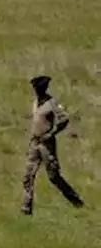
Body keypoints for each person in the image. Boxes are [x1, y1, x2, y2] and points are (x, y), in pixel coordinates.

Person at [22, 76, 85, 215]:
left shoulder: (51, 103)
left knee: (54, 176)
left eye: (37, 89)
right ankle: (26, 207)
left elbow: (64, 118)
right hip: (34, 143)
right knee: (28, 175)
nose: (35, 91)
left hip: (46, 144)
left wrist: (52, 133)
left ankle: (76, 200)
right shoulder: (35, 102)